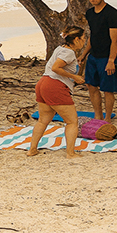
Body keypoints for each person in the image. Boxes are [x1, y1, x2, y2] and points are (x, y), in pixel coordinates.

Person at [25, 27, 88, 159]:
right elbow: (56, 67)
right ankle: (71, 153)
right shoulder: (69, 53)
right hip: (55, 86)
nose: (85, 41)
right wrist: (75, 77)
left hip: (43, 83)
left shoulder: (60, 49)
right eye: (83, 39)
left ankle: (32, 149)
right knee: (72, 122)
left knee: (43, 120)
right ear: (76, 39)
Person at [83, 0, 117, 127]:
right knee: (91, 86)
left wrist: (111, 60)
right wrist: (84, 55)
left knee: (107, 89)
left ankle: (107, 118)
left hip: (108, 57)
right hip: (93, 56)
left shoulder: (112, 14)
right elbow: (92, 36)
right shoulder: (89, 13)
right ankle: (97, 115)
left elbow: (115, 40)